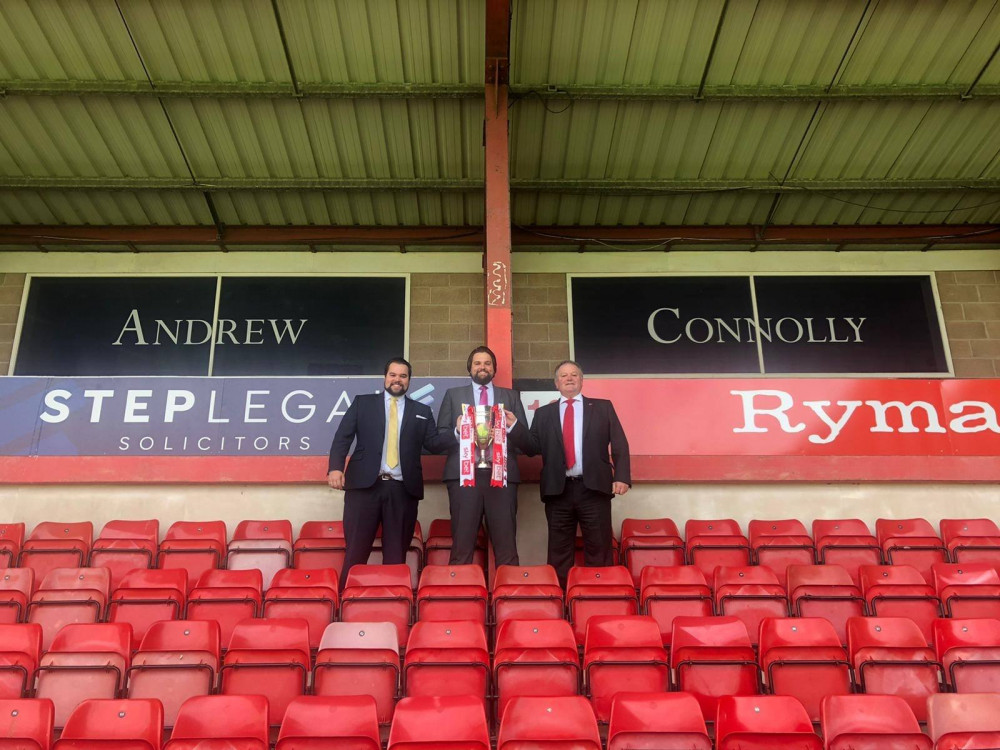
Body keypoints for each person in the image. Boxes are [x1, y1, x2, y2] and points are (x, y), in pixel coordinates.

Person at [328, 357, 455, 588]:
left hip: (402, 491)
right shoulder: (362, 403)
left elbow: (435, 444)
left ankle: (391, 604)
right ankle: (345, 603)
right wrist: (335, 468)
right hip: (364, 488)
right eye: (393, 375)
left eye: (403, 376)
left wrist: (460, 430)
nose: (398, 380)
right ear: (385, 377)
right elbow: (342, 437)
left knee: (396, 555)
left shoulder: (422, 411)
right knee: (356, 551)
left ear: (409, 381)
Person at [507, 359, 631, 587]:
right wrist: (514, 427)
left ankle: (600, 596)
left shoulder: (603, 407)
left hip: (594, 489)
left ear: (582, 381)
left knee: (599, 547)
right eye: (564, 375)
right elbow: (533, 448)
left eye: (574, 374)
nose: (569, 378)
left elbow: (620, 444)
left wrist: (622, 476)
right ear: (556, 383)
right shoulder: (544, 414)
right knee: (559, 551)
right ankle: (561, 600)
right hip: (559, 490)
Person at [437, 346, 529, 567]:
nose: (482, 367)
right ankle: (461, 598)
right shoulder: (453, 395)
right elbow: (438, 439)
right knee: (462, 545)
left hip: (502, 478)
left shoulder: (511, 396)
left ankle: (506, 598)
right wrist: (458, 430)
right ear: (469, 368)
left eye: (487, 363)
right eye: (477, 363)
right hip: (464, 479)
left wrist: (513, 425)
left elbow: (527, 443)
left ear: (494, 369)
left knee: (506, 546)